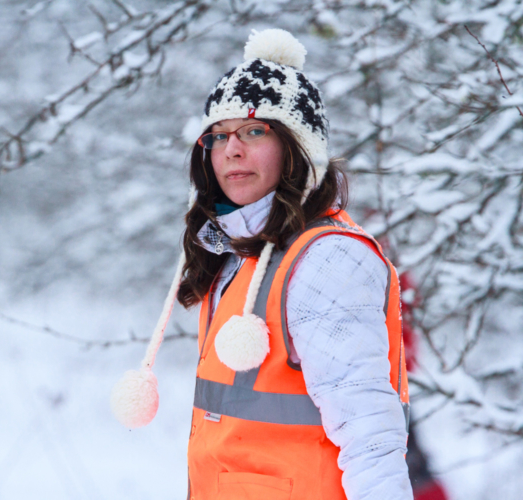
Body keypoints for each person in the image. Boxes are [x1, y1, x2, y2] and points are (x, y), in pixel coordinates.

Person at [111, 28, 411, 500]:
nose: (232, 149)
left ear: (298, 150)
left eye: (255, 131)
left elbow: (370, 435)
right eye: (219, 135)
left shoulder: (326, 259)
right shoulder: (236, 256)